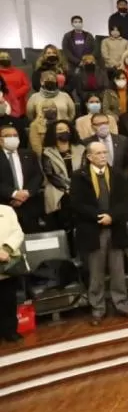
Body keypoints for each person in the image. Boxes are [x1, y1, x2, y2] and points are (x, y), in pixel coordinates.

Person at [72, 141, 128, 325]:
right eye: (98, 153)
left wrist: (112, 216)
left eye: (104, 152)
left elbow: (124, 201)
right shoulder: (79, 176)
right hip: (93, 230)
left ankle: (122, 305)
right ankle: (98, 309)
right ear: (90, 156)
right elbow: (77, 203)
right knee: (96, 273)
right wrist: (99, 216)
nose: (103, 156)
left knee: (118, 271)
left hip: (115, 229)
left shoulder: (117, 174)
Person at [41, 119, 85, 232]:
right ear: (53, 133)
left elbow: (84, 169)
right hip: (58, 189)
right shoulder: (47, 151)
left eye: (66, 129)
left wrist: (75, 186)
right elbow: (50, 174)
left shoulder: (81, 148)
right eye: (60, 130)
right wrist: (67, 187)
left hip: (79, 187)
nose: (64, 131)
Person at [0, 123, 43, 232]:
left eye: (15, 135)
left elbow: (37, 176)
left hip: (29, 205)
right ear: (0, 140)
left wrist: (26, 194)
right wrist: (14, 194)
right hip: (4, 205)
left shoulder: (29, 154)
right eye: (8, 136)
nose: (13, 138)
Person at [0, 202, 25, 343]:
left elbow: (18, 232)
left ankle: (10, 331)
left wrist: (6, 249)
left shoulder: (7, 210)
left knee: (9, 299)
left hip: (8, 263)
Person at [85, 112, 128, 177]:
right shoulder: (87, 143)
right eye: (99, 124)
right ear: (92, 127)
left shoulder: (123, 140)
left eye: (105, 123)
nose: (103, 126)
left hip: (120, 180)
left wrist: (124, 178)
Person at [0, 51, 30, 134]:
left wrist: (14, 95)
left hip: (18, 105)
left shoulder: (19, 72)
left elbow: (27, 86)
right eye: (2, 58)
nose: (5, 59)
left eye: (7, 58)